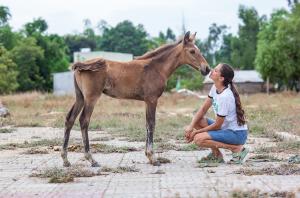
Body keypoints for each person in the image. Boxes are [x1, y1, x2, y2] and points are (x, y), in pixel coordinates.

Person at [185, 63, 249, 164]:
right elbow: (202, 109)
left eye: (215, 70)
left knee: (198, 139)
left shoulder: (225, 96)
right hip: (225, 129)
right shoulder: (215, 88)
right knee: (198, 120)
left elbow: (217, 125)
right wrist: (191, 126)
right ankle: (217, 155)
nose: (211, 71)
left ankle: (236, 148)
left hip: (237, 134)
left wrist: (196, 132)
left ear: (221, 78)